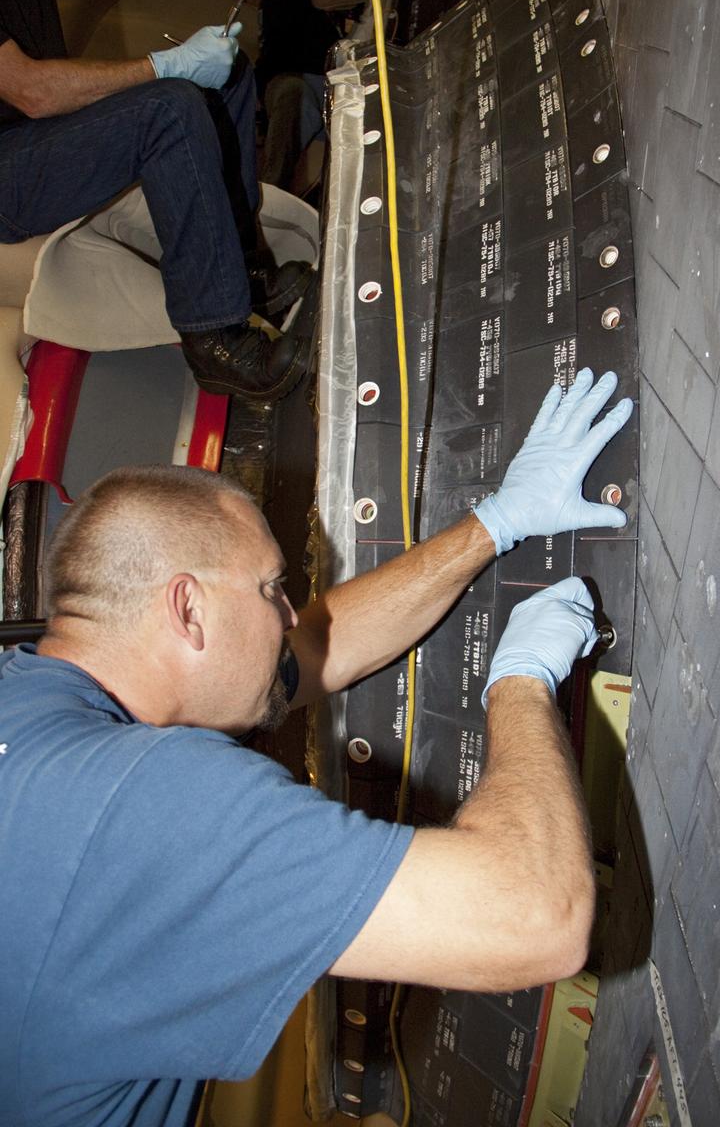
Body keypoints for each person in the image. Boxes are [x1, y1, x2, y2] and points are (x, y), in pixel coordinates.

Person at [0, 369, 632, 1127]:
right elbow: (535, 917)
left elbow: (303, 650)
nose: (287, 609)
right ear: (187, 607)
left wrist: (497, 522)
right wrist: (521, 682)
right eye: (271, 588)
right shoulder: (139, 810)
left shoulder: (33, 694)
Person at [0, 0, 314, 400]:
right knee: (168, 107)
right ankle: (214, 338)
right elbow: (30, 90)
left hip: (33, 133)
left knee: (224, 77)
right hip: (8, 161)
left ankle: (240, 275)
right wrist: (160, 68)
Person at [257, 0, 368, 190]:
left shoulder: (296, 9)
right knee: (293, 103)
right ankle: (270, 196)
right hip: (296, 80)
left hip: (320, 90)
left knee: (317, 173)